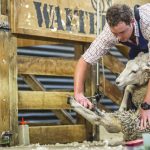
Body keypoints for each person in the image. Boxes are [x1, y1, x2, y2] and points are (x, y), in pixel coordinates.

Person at [74, 3, 150, 130]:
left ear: (132, 21)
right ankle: (139, 133)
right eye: (115, 33)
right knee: (135, 84)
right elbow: (85, 60)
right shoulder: (110, 33)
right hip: (140, 47)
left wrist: (147, 105)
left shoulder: (147, 22)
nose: (118, 38)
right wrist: (79, 93)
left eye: (121, 32)